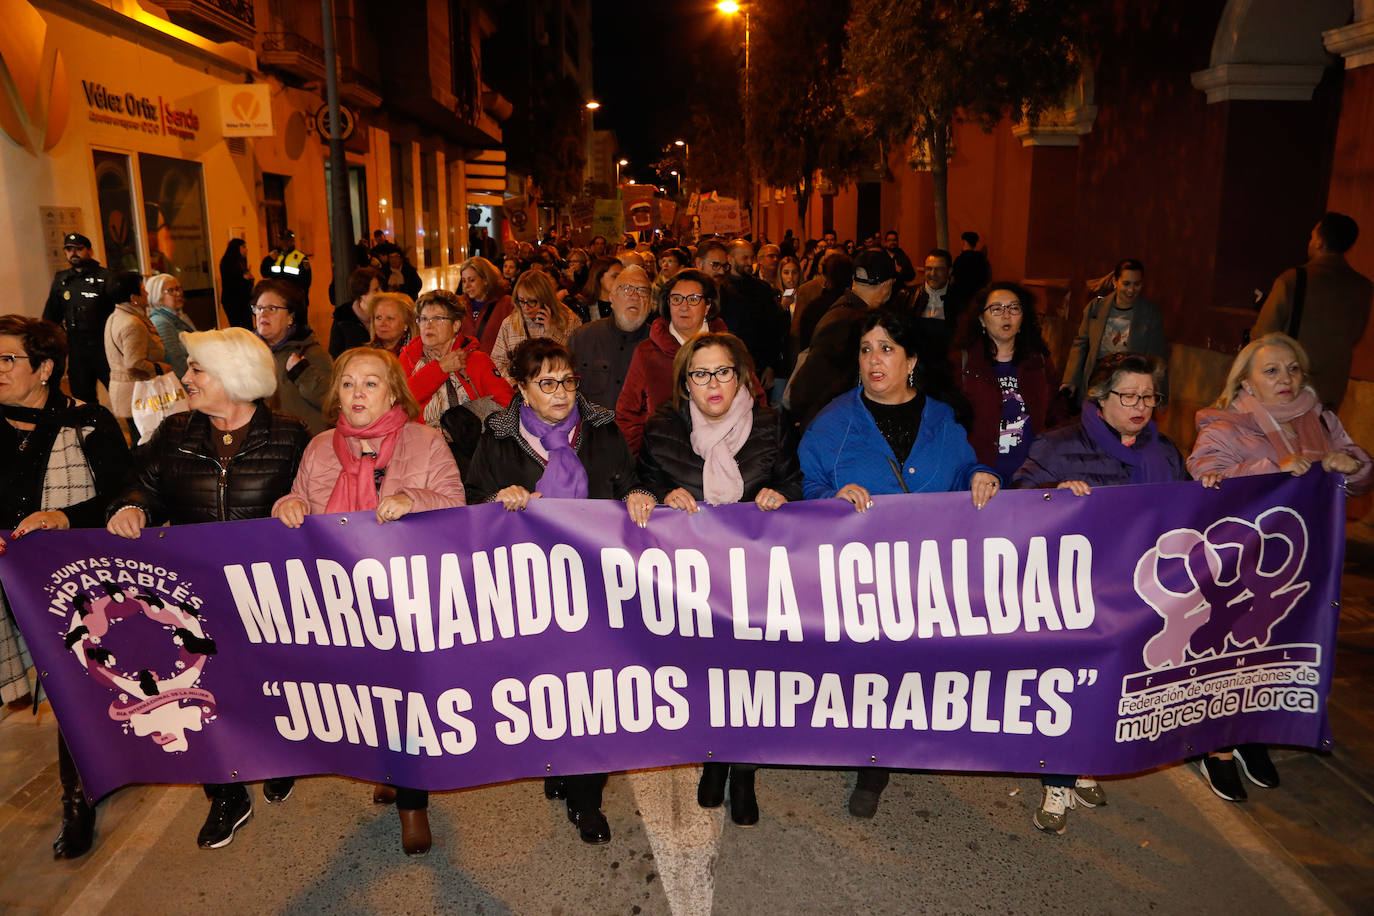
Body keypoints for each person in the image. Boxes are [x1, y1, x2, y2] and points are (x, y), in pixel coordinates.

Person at [107, 327, 309, 849]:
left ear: (235, 378)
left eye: (198, 369)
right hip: (190, 598)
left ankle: (278, 754)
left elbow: (317, 498)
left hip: (266, 597)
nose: (187, 377)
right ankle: (225, 794)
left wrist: (300, 505)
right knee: (200, 694)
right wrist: (131, 507)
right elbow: (138, 483)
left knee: (267, 685)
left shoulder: (290, 435)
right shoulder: (174, 433)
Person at [799, 309, 998, 819]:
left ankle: (891, 747)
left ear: (911, 360)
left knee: (909, 671)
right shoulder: (832, 424)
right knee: (869, 673)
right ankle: (873, 761)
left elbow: (965, 471)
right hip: (857, 579)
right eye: (866, 349)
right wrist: (831, 495)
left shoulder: (942, 419)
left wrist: (981, 475)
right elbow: (806, 490)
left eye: (886, 348)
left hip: (924, 578)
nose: (873, 360)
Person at [272, 347, 463, 856]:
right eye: (349, 384)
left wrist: (412, 501)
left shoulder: (425, 441)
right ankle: (385, 767)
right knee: (362, 695)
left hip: (407, 599)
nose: (358, 394)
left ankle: (412, 802)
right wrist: (287, 506)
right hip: (341, 601)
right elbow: (299, 506)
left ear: (394, 391)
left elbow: (456, 507)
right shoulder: (317, 448)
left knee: (405, 698)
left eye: (371, 384)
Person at [465, 338, 654, 845]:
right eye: (546, 383)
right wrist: (496, 500)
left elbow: (631, 484)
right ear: (522, 389)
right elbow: (472, 500)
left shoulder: (602, 428)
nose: (562, 392)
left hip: (596, 587)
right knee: (548, 689)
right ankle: (556, 762)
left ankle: (586, 797)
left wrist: (640, 495)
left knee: (593, 694)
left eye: (568, 380)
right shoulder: (499, 437)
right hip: (530, 590)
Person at [1186, 333, 1371, 802]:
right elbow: (1205, 473)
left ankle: (1250, 734)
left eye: (1293, 369)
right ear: (1245, 380)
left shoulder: (1320, 419)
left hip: (1301, 568)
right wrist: (1273, 469)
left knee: (1270, 659)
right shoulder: (1226, 424)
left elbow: (1361, 474)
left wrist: (1348, 465)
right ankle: (1216, 747)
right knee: (1228, 658)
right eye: (1271, 371)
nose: (1285, 379)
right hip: (1238, 569)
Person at [1012, 351, 1184, 834]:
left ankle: (1086, 765)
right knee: (1072, 688)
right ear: (1099, 397)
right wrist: (1052, 491)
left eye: (1148, 396)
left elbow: (1184, 513)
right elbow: (1018, 497)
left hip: (1139, 597)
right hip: (1076, 596)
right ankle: (1057, 778)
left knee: (1112, 688)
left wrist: (1206, 488)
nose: (1140, 406)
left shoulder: (1165, 453)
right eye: (1129, 395)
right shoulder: (1059, 445)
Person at [637, 332, 802, 827]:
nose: (713, 384)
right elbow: (641, 481)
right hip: (693, 581)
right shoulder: (663, 427)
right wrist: (660, 494)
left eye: (723, 372)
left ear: (742, 376)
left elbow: (796, 482)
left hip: (754, 578)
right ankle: (712, 758)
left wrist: (780, 494)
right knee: (706, 677)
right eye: (700, 374)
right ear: (685, 383)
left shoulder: (773, 425)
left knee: (751, 679)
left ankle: (744, 771)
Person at [0, 316, 130, 860]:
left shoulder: (89, 422)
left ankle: (76, 801)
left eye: (7, 360)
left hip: (69, 585)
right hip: (7, 584)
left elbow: (124, 496)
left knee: (67, 685)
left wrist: (64, 518)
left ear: (45, 368)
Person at [1251, 212, 1373, 408]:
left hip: (1290, 389)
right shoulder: (1363, 287)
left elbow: (1263, 333)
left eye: (1312, 236)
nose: (1309, 242)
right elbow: (1354, 335)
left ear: (1319, 242)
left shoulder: (1294, 279)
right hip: (1331, 391)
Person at [953, 283, 1067, 479]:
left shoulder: (1038, 361)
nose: (1006, 315)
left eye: (1014, 308)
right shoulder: (962, 363)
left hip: (1031, 474)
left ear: (1023, 318)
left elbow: (1055, 414)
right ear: (981, 319)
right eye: (996, 309)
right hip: (980, 474)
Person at [617, 268, 728, 455]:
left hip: (724, 454)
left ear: (707, 305)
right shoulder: (647, 352)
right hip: (664, 460)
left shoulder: (728, 348)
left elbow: (754, 401)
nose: (683, 307)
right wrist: (637, 463)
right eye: (676, 299)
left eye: (693, 299)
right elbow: (628, 414)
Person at [401, 289, 512, 428]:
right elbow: (400, 402)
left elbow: (506, 405)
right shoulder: (408, 357)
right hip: (419, 444)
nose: (428, 325)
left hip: (469, 445)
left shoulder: (476, 360)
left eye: (437, 318)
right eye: (423, 319)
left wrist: (470, 427)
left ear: (456, 325)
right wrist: (440, 369)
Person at [1060, 259, 1167, 403]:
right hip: (1096, 381)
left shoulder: (1150, 313)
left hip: (1129, 385)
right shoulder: (1096, 308)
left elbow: (1157, 355)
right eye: (1126, 284)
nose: (1131, 290)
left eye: (1137, 284)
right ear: (1116, 282)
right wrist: (1070, 379)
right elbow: (1081, 344)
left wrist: (1160, 394)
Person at [566, 265, 654, 411]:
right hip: (591, 431)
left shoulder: (661, 345)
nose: (634, 296)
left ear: (651, 303)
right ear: (612, 298)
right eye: (626, 289)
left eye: (642, 291)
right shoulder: (582, 338)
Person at [252, 280, 334, 435]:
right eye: (259, 308)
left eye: (272, 308)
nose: (263, 313)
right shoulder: (250, 353)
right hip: (264, 448)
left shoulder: (312, 353)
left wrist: (302, 373)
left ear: (291, 317)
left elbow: (333, 404)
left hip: (304, 449)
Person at [42, 233, 115, 404]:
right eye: (69, 249)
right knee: (82, 398)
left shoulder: (106, 277)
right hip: (77, 348)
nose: (73, 253)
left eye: (79, 249)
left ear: (89, 250)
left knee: (120, 395)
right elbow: (51, 316)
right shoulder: (62, 280)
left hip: (104, 345)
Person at [103, 272, 171, 440]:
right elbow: (134, 363)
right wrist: (160, 368)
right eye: (143, 290)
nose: (147, 293)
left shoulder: (115, 317)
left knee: (139, 439)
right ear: (134, 298)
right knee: (145, 441)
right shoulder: (132, 323)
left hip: (126, 392)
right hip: (137, 393)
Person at [491, 271, 583, 377]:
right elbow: (497, 363)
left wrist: (552, 332)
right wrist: (516, 383)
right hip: (520, 388)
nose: (526, 307)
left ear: (546, 299)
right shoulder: (510, 323)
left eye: (532, 301)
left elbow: (575, 360)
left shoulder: (569, 319)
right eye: (521, 301)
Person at [910, 248, 967, 354]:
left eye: (939, 269)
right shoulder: (908, 296)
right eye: (929, 268)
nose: (933, 273)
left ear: (949, 271)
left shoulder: (961, 300)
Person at [459, 257, 513, 354]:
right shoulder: (459, 305)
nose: (466, 285)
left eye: (472, 280)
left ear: (485, 280)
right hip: (466, 366)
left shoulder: (506, 304)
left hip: (494, 365)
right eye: (463, 281)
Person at [147, 273, 196, 376]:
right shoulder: (160, 321)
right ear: (157, 297)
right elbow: (174, 360)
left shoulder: (179, 315)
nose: (178, 293)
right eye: (171, 291)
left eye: (178, 288)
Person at [330, 267, 382, 357]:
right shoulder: (343, 319)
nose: (381, 293)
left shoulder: (385, 316)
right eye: (376, 290)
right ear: (362, 294)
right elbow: (335, 356)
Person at [218, 238, 255, 329]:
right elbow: (232, 283)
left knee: (247, 328)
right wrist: (244, 278)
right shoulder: (228, 262)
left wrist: (248, 278)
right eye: (243, 247)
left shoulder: (241, 261)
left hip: (242, 300)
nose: (246, 249)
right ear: (236, 248)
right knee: (240, 328)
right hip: (234, 301)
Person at [367, 291, 418, 356]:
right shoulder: (365, 354)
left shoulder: (419, 355)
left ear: (406, 323)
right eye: (378, 318)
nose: (382, 324)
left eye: (390, 318)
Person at [951, 231, 991, 298]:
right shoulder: (981, 259)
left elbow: (953, 279)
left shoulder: (959, 259)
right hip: (977, 296)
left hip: (961, 296)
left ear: (963, 242)